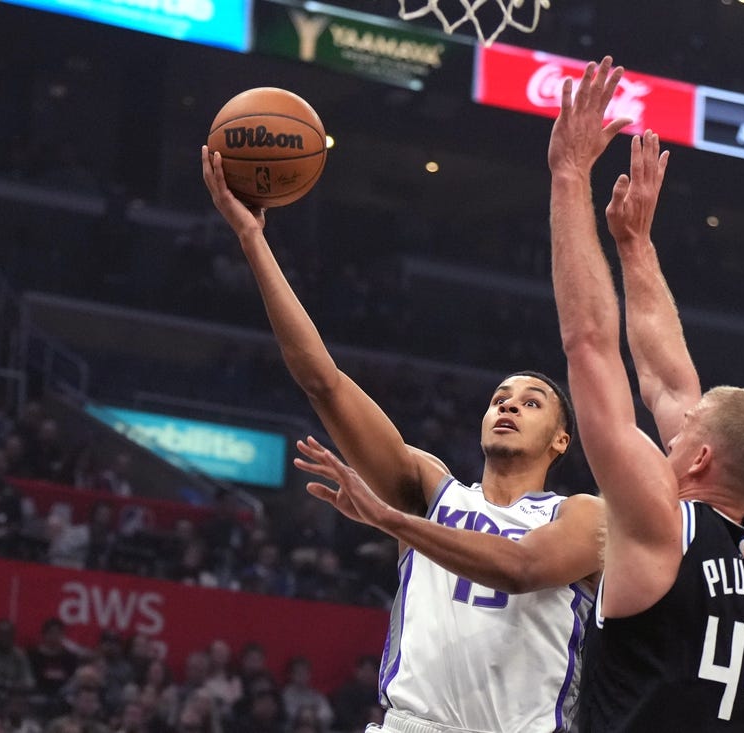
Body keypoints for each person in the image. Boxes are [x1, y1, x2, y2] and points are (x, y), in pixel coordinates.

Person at [202, 146, 603, 732]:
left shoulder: (583, 516)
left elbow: (520, 568)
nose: (508, 405)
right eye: (499, 398)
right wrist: (252, 242)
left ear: (561, 441)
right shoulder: (431, 491)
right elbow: (323, 382)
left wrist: (389, 521)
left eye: (531, 401)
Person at [547, 57, 744, 731]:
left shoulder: (661, 520)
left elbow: (590, 346)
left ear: (703, 457)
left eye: (685, 433)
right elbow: (669, 380)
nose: (671, 430)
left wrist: (569, 176)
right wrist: (634, 245)